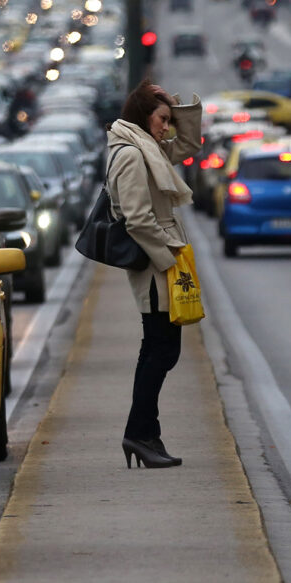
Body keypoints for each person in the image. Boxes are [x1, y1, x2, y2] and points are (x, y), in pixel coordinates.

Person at [106, 78, 202, 469]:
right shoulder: (131, 153)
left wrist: (177, 109)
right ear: (144, 117)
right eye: (162, 119)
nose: (167, 127)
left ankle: (146, 434)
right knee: (162, 350)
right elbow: (137, 218)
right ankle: (140, 433)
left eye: (168, 120)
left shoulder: (148, 147)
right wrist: (168, 259)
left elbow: (190, 144)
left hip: (162, 258)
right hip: (154, 264)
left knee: (157, 349)